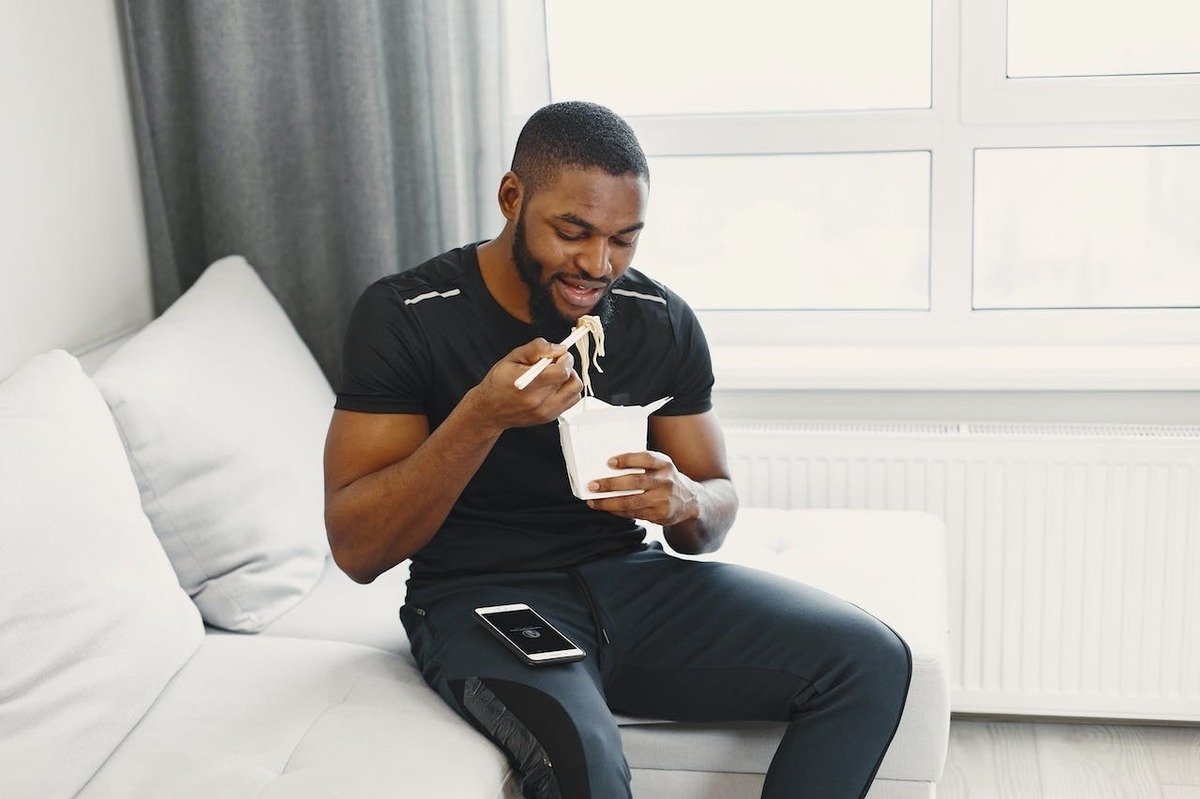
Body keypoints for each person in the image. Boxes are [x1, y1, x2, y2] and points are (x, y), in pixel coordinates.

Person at [323, 100, 911, 799]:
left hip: (629, 578)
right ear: (512, 197)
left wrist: (685, 499)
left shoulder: (657, 320)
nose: (597, 266)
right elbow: (357, 549)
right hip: (478, 597)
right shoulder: (408, 315)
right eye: (572, 232)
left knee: (870, 659)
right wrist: (481, 415)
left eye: (624, 240)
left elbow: (715, 504)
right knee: (588, 762)